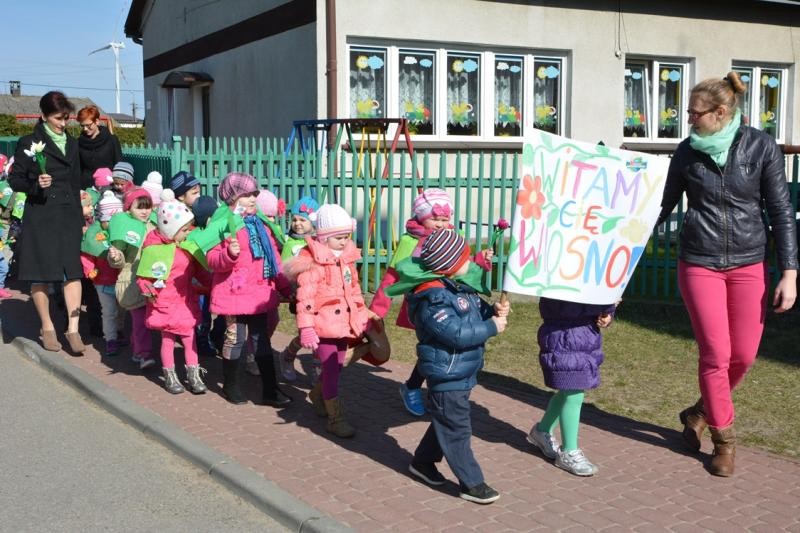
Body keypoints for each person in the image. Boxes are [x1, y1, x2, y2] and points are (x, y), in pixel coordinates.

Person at [659, 71, 797, 477]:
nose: (689, 120)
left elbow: (781, 211)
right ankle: (724, 442)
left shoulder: (761, 147)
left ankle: (700, 411)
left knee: (745, 355)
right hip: (699, 262)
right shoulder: (686, 152)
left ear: (720, 113)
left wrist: (789, 272)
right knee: (716, 354)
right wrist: (619, 237)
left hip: (749, 263)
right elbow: (662, 205)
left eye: (694, 113)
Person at [399, 229, 508, 504]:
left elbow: (472, 310)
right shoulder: (432, 298)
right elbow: (456, 333)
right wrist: (491, 328)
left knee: (447, 419)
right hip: (446, 373)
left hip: (460, 370)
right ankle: (471, 483)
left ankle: (422, 463)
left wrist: (491, 311)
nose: (469, 261)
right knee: (457, 428)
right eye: (465, 257)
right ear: (449, 264)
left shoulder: (455, 286)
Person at [370, 188, 493, 416]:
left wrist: (479, 260)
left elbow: (460, 265)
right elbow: (392, 278)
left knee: (440, 350)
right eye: (434, 218)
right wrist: (377, 310)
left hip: (451, 303)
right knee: (435, 349)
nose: (440, 223)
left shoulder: (450, 237)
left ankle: (422, 388)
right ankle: (416, 388)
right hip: (426, 305)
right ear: (421, 216)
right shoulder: (410, 242)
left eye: (445, 219)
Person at [8, 91, 91, 354]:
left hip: (67, 214)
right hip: (41, 215)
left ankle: (73, 330)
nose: (63, 123)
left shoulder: (73, 143)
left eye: (66, 118)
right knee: (41, 274)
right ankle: (47, 327)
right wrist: (35, 185)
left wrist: (80, 218)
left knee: (72, 272)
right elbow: (15, 179)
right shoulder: (28, 142)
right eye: (58, 118)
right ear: (44, 116)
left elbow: (76, 181)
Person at [206, 172, 292, 406]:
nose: (253, 198)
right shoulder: (222, 223)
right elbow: (212, 260)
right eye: (246, 195)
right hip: (234, 292)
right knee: (235, 338)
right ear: (232, 199)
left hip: (259, 294)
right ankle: (231, 386)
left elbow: (273, 257)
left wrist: (284, 286)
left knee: (262, 340)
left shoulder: (261, 224)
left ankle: (270, 391)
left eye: (254, 193)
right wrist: (228, 254)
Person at [286, 203, 369, 438]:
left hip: (343, 325)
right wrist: (306, 328)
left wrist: (361, 316)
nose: (344, 242)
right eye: (339, 238)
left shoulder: (346, 260)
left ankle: (316, 394)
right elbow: (305, 299)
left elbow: (354, 291)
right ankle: (336, 418)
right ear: (324, 238)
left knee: (338, 367)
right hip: (322, 327)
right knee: (331, 369)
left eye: (347, 237)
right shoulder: (312, 262)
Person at [527, 298, 616, 476]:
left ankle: (542, 431)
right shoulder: (559, 278)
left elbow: (600, 290)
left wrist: (608, 312)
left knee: (569, 389)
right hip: (563, 336)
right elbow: (563, 304)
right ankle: (569, 451)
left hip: (586, 337)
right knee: (574, 393)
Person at [137, 190, 210, 395]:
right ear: (171, 229)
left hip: (184, 301)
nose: (188, 233)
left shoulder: (186, 248)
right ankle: (170, 374)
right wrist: (147, 289)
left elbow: (201, 271)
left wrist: (214, 284)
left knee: (189, 337)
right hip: (165, 302)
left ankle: (193, 374)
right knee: (168, 340)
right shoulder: (153, 249)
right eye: (184, 230)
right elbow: (144, 276)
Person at [107, 187, 157, 369]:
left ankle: (137, 349)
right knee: (140, 320)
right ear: (128, 208)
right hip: (132, 282)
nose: (145, 211)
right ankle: (144, 354)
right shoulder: (125, 228)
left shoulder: (154, 225)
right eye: (140, 207)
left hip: (152, 280)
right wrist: (115, 256)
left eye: (148, 206)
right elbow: (118, 256)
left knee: (147, 321)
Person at [278, 196, 319, 381]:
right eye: (294, 219)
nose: (297, 223)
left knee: (320, 334)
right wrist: (290, 290)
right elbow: (283, 271)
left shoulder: (319, 243)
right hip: (300, 296)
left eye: (303, 219)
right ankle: (287, 356)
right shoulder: (290, 244)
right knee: (306, 333)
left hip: (319, 295)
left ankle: (318, 373)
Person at [81, 190, 127, 356]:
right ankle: (110, 339)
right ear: (102, 218)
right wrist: (89, 270)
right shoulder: (94, 232)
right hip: (102, 279)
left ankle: (119, 330)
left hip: (121, 278)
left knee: (122, 309)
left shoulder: (121, 230)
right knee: (108, 311)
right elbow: (87, 253)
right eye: (109, 220)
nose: (112, 223)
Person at [76, 105, 121, 187]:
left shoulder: (111, 140)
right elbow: (78, 168)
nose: (85, 129)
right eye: (82, 126)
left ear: (97, 121)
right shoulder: (78, 143)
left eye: (88, 125)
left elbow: (119, 165)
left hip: (108, 186)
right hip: (86, 188)